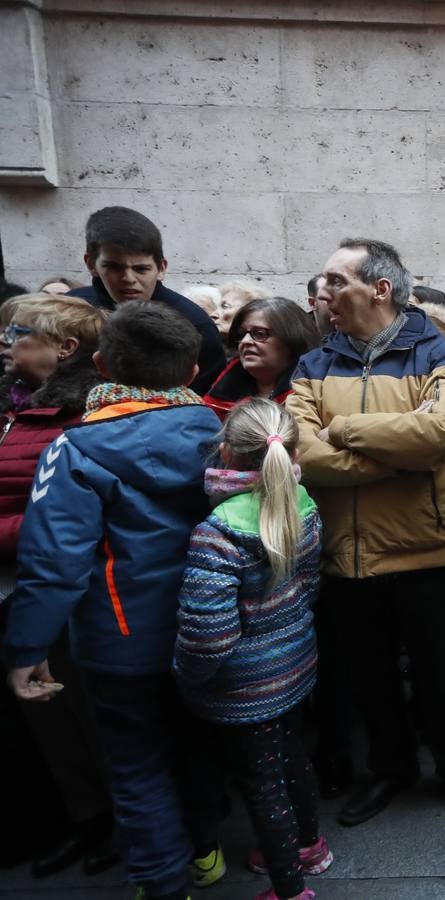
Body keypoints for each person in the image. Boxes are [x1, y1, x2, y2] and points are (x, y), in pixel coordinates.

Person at [4, 300, 223, 900]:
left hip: (120, 641)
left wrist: (26, 646)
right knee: (197, 744)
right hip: (213, 628)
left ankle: (160, 880)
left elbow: (52, 562)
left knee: (135, 765)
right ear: (190, 372)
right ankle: (206, 849)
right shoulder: (225, 433)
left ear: (101, 365)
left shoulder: (76, 449)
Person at [288, 238, 445, 831]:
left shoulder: (441, 352)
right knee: (370, 679)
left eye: (335, 280)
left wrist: (343, 427)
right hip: (344, 556)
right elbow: (296, 446)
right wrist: (384, 457)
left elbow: (442, 431)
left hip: (424, 548)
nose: (323, 292)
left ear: (379, 288)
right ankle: (391, 768)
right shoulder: (313, 363)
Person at [173, 399, 329, 900]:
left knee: (262, 784)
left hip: (243, 686)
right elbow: (308, 586)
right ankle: (311, 845)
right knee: (293, 757)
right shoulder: (303, 503)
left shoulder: (216, 531)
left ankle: (289, 889)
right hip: (294, 662)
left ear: (225, 451)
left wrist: (187, 674)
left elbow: (207, 635)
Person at [0, 295, 117, 880]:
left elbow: (66, 514)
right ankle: (84, 817)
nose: (6, 341)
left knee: (73, 709)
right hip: (17, 584)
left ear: (64, 348)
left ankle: (114, 822)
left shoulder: (80, 419)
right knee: (44, 719)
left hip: (59, 587)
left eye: (17, 332)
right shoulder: (12, 406)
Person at [68, 206, 225, 394]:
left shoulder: (195, 324)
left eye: (141, 269)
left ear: (161, 268)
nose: (129, 278)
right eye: (114, 268)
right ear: (91, 264)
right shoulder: (67, 314)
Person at [203, 297, 320, 421]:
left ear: (292, 340)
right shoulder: (223, 387)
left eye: (259, 334)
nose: (245, 341)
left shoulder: (315, 392)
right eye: (241, 335)